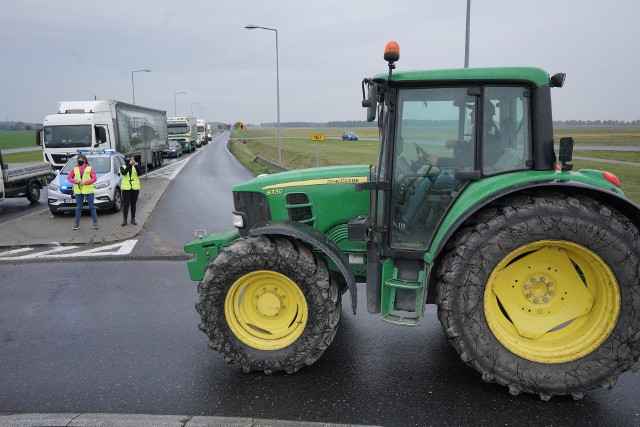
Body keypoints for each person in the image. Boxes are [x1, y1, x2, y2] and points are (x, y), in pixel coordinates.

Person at [400, 100, 502, 226]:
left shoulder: (488, 134)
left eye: (473, 111)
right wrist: (457, 143)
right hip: (467, 170)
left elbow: (469, 160)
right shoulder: (486, 130)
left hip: (468, 175)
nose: (470, 114)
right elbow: (472, 148)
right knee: (432, 174)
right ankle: (421, 220)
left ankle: (405, 221)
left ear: (485, 113)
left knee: (427, 181)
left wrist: (439, 161)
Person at [67, 154, 98, 230]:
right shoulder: (75, 169)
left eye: (80, 160)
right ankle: (76, 223)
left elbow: (94, 179)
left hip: (88, 190)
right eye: (78, 160)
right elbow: (69, 178)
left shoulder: (90, 168)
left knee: (92, 207)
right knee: (79, 207)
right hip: (78, 191)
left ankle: (95, 222)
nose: (79, 161)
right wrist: (75, 181)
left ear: (84, 160)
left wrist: (85, 182)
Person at [120, 156, 141, 226]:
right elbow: (124, 173)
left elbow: (140, 173)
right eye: (128, 159)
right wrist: (129, 165)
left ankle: (133, 219)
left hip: (135, 188)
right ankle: (125, 220)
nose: (130, 160)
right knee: (126, 204)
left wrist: (135, 165)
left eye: (131, 158)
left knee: (133, 204)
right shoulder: (122, 166)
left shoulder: (135, 166)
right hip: (126, 188)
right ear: (125, 160)